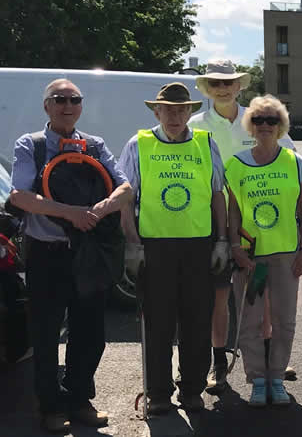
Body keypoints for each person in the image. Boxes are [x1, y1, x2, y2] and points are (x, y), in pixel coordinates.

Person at [9, 79, 131, 433]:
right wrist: (70, 212)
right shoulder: (30, 145)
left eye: (74, 99)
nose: (67, 105)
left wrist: (101, 208)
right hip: (46, 255)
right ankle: (49, 407)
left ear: (81, 106)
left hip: (87, 253)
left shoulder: (94, 145)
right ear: (46, 106)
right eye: (59, 99)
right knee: (46, 334)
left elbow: (124, 187)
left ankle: (79, 400)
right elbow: (19, 196)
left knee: (90, 333)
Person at [117, 82, 230, 415]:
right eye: (168, 109)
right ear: (157, 111)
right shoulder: (139, 144)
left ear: (190, 112)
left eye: (182, 110)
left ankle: (192, 389)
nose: (175, 115)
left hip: (198, 245)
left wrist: (222, 240)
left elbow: (216, 196)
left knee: (196, 321)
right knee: (158, 323)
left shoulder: (205, 143)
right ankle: (159, 393)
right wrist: (132, 244)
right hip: (155, 246)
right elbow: (126, 199)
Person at [189, 58, 298, 393]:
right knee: (220, 296)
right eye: (216, 84)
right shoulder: (196, 125)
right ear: (208, 88)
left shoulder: (257, 118)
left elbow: (288, 158)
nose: (223, 88)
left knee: (262, 300)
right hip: (212, 222)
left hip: (261, 228)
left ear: (239, 86)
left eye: (229, 83)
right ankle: (219, 362)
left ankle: (269, 362)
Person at [224, 95, 302, 407]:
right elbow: (233, 211)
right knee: (250, 318)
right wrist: (235, 246)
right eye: (258, 120)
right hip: (252, 259)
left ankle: (276, 378)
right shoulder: (236, 164)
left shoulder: (293, 161)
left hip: (286, 255)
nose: (264, 125)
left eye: (271, 120)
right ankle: (257, 380)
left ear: (280, 125)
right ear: (250, 125)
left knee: (284, 319)